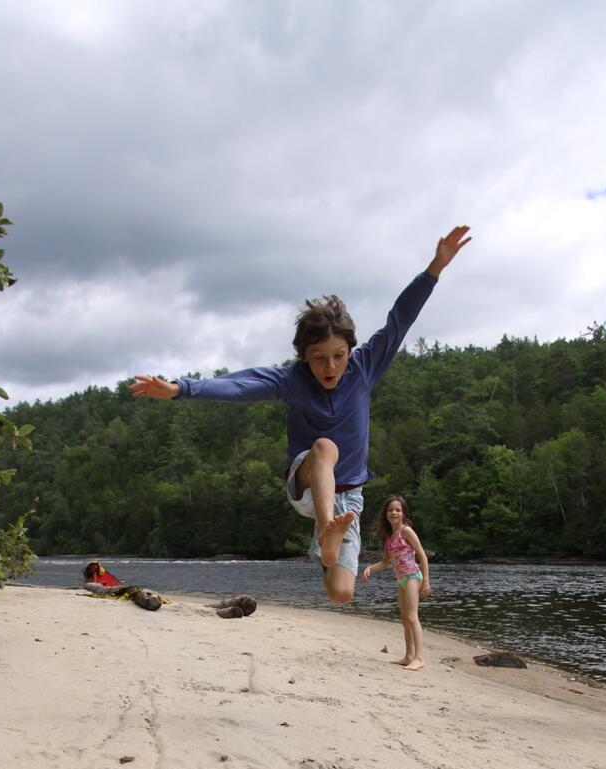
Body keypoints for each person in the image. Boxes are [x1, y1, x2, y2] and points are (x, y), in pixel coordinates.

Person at [129, 226, 470, 605]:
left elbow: (399, 320)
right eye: (319, 358)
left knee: (341, 594)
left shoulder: (365, 367)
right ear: (304, 356)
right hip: (306, 482)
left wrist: (434, 269)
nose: (330, 366)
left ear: (350, 351)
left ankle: (329, 542)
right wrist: (180, 389)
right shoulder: (292, 380)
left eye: (339, 356)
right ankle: (326, 532)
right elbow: (240, 386)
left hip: (349, 497)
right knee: (325, 447)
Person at [361, 495, 430, 670]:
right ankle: (408, 656)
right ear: (386, 514)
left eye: (398, 510)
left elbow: (422, 555)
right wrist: (370, 568)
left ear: (403, 513)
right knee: (404, 618)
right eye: (391, 510)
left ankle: (419, 658)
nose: (394, 513)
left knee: (412, 616)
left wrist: (426, 581)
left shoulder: (406, 531)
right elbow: (385, 563)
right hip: (401, 580)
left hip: (413, 576)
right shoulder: (389, 538)